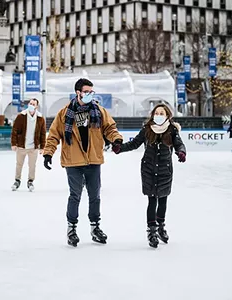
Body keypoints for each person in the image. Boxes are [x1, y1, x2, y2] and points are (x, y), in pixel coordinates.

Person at [43, 78, 123, 247]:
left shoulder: (99, 111)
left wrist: (116, 139)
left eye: (91, 92)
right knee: (75, 195)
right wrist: (48, 153)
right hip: (73, 160)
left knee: (95, 197)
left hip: (93, 159)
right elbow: (54, 134)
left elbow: (110, 128)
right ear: (78, 92)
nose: (90, 95)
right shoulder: (65, 113)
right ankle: (71, 229)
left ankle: (95, 228)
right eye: (86, 92)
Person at [112, 104, 186, 248]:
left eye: (161, 113)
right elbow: (135, 143)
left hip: (165, 169)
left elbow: (179, 144)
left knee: (163, 200)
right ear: (153, 115)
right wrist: (120, 148)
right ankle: (151, 231)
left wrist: (181, 152)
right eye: (156, 113)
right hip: (148, 169)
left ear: (167, 115)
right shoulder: (147, 129)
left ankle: (160, 227)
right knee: (152, 200)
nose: (159, 115)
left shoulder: (172, 130)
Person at [10, 98, 46, 191]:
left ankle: (30, 181)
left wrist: (42, 147)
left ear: (36, 106)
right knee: (19, 164)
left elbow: (42, 133)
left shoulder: (40, 118)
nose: (31, 105)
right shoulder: (21, 116)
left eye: (33, 104)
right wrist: (14, 143)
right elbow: (14, 130)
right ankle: (17, 180)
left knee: (32, 165)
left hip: (33, 147)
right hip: (21, 146)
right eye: (30, 103)